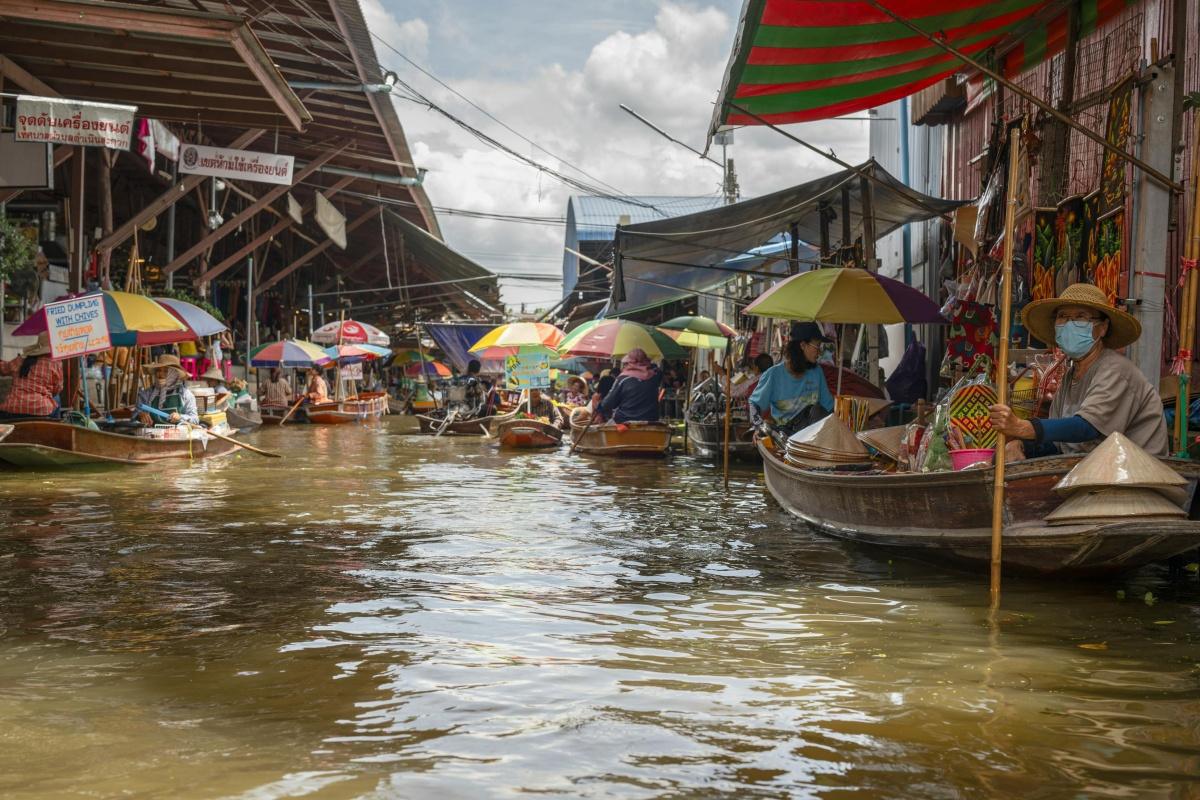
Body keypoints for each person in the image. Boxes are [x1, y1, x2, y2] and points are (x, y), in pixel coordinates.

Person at [989, 282, 1169, 459]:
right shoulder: (1070, 377)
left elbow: (1086, 428)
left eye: (1081, 317)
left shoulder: (1116, 370)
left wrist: (1023, 427)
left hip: (1135, 476)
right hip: (1091, 471)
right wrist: (1021, 445)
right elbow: (1059, 444)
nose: (1069, 324)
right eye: (1063, 316)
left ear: (1103, 327)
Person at [749, 323, 834, 433]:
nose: (819, 352)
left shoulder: (817, 372)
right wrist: (758, 427)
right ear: (803, 345)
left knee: (816, 411)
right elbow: (755, 405)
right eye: (817, 346)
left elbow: (828, 408)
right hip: (784, 437)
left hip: (812, 438)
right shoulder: (773, 375)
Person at [0, 332, 62, 420]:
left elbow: (3, 369)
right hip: (41, 411)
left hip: (11, 409)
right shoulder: (55, 363)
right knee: (56, 398)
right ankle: (57, 428)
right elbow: (57, 389)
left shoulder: (20, 359)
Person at [595, 349, 663, 423]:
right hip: (651, 420)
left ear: (631, 363)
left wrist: (599, 408)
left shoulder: (623, 379)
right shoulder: (654, 376)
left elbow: (609, 402)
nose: (625, 365)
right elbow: (657, 370)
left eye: (627, 363)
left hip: (625, 420)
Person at [137, 353, 199, 425]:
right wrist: (140, 415)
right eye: (158, 370)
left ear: (174, 375)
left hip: (178, 434)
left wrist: (180, 417)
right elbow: (135, 413)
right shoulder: (147, 394)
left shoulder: (185, 394)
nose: (160, 374)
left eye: (165, 371)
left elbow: (195, 419)